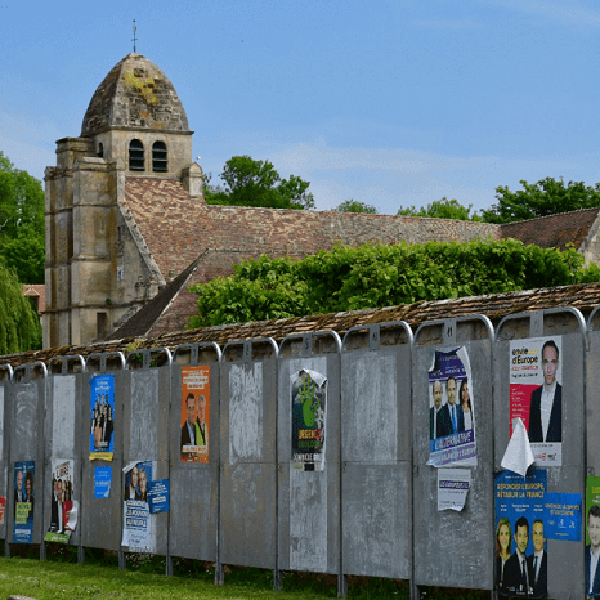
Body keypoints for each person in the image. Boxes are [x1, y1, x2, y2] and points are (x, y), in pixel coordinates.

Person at [528, 340, 561, 443]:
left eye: (552, 362)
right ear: (542, 365)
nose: (549, 369)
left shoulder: (564, 394)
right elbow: (532, 432)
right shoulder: (535, 395)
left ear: (557, 365)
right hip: (537, 456)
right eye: (546, 362)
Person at [504, 516, 531, 595]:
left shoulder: (530, 563)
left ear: (528, 537)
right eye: (520, 536)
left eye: (525, 536)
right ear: (515, 537)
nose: (522, 541)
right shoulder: (509, 564)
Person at [527, 519, 547, 597]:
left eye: (540, 534)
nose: (537, 538)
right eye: (535, 533)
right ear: (532, 536)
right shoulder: (527, 561)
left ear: (544, 538)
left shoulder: (549, 561)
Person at [587, 506, 600, 597]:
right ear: (588, 529)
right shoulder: (582, 553)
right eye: (592, 527)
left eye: (598, 527)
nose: (594, 533)